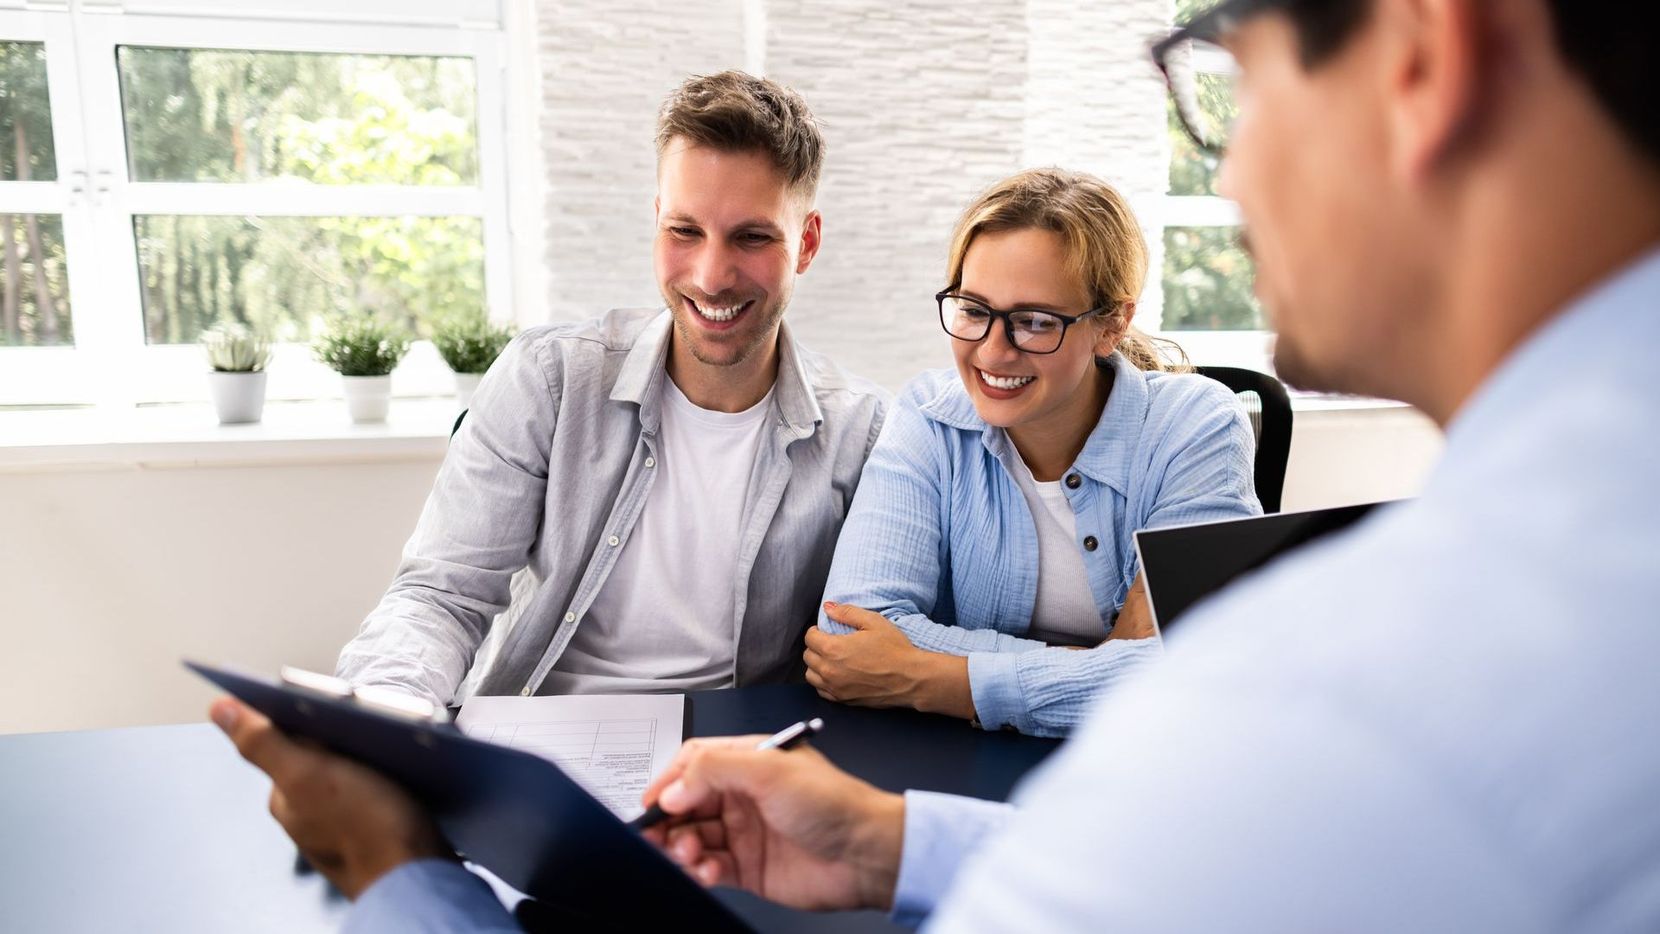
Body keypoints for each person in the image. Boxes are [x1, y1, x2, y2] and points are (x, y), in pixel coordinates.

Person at [212, 0, 1660, 928]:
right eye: (973, 311)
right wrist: (899, 842)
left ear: (1426, 55)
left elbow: (975, 683)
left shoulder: (1321, 698)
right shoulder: (579, 379)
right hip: (580, 779)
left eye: (1228, 77)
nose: (1224, 167)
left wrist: (392, 870)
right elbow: (839, 641)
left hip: (719, 800)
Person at [333, 71, 887, 705]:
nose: (711, 276)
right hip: (538, 734)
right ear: (657, 221)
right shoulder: (549, 380)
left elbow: (875, 643)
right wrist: (391, 706)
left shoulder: (862, 433)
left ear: (806, 243)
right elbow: (442, 595)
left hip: (734, 766)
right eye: (685, 231)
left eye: (752, 237)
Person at [807, 169, 1260, 737]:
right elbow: (851, 634)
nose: (993, 352)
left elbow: (1200, 669)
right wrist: (1103, 667)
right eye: (973, 310)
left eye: (1035, 322)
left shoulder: (1196, 426)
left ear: (1111, 325)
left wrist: (938, 678)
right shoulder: (929, 415)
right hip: (966, 765)